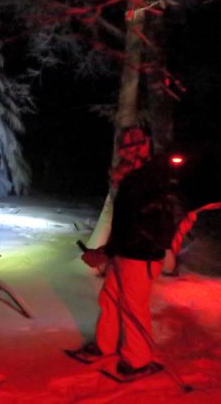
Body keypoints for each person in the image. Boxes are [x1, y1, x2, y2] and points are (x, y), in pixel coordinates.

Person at [76, 153, 185, 380]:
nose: (113, 172)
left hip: (140, 258)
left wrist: (105, 253)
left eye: (118, 166)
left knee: (133, 309)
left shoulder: (143, 189)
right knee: (111, 298)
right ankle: (104, 345)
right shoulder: (134, 186)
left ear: (133, 166)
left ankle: (138, 361)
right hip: (126, 255)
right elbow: (125, 228)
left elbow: (135, 231)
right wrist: (109, 251)